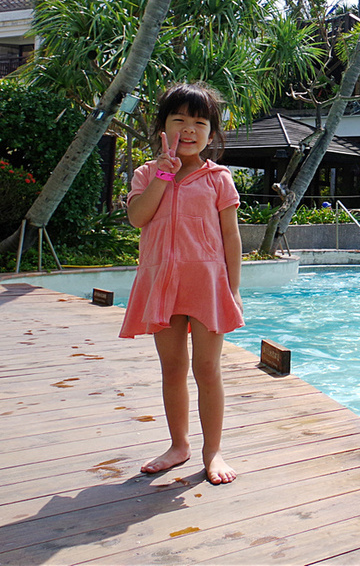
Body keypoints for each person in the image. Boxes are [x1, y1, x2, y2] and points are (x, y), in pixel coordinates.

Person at [122, 82, 244, 485]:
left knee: (207, 369)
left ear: (212, 134)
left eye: (199, 122)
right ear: (163, 127)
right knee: (172, 368)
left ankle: (213, 451)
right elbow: (139, 217)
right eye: (179, 120)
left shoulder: (219, 179)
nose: (189, 130)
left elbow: (231, 236)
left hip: (207, 283)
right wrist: (162, 174)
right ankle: (179, 445)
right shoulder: (146, 173)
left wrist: (234, 288)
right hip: (162, 282)